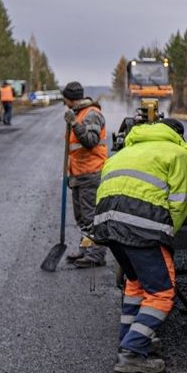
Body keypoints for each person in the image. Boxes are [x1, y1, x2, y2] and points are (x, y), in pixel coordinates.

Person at [92, 118, 187, 373]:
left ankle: (129, 340)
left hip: (106, 223)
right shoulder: (180, 152)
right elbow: (180, 202)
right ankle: (132, 351)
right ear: (178, 136)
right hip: (141, 227)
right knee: (162, 293)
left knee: (135, 283)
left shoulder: (125, 151)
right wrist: (165, 235)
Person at [61, 82, 109, 268]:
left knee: (91, 217)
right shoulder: (79, 113)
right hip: (78, 174)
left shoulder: (91, 114)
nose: (64, 101)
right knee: (82, 217)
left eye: (65, 98)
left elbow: (90, 141)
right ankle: (86, 249)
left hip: (91, 172)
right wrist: (69, 174)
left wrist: (74, 123)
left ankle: (96, 255)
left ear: (70, 98)